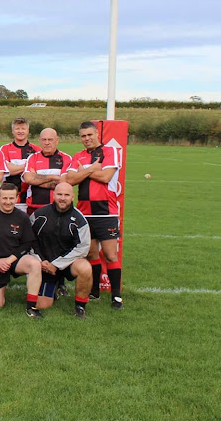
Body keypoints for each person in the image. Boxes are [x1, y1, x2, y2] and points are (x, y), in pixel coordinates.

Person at [66, 121, 124, 310]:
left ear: (97, 133)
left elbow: (106, 177)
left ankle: (116, 296)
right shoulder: (78, 155)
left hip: (106, 212)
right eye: (83, 136)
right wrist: (92, 169)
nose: (87, 138)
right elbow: (71, 179)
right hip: (84, 213)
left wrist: (84, 170)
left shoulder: (110, 151)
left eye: (89, 135)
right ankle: (95, 291)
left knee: (110, 254)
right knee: (91, 254)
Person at [0, 183, 43, 319]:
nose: (8, 202)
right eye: (4, 198)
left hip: (14, 259)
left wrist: (9, 260)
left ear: (17, 198)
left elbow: (27, 243)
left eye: (11, 198)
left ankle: (31, 307)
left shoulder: (22, 217)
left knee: (35, 264)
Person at [31, 183, 93, 319]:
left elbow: (83, 248)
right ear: (53, 195)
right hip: (45, 265)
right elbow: (30, 240)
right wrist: (41, 261)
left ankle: (80, 307)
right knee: (42, 305)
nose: (63, 198)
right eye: (59, 194)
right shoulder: (40, 215)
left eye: (66, 195)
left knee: (85, 268)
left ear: (72, 197)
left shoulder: (79, 219)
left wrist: (57, 264)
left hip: (67, 264)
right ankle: (55, 288)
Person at [22, 128, 72, 215]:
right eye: (44, 140)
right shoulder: (32, 157)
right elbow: (28, 179)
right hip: (34, 207)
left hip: (57, 208)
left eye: (50, 139)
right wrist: (53, 177)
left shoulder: (66, 158)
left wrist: (36, 179)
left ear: (57, 140)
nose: (47, 143)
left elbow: (62, 182)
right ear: (40, 141)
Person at [0, 118, 41, 211]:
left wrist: (15, 167)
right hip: (10, 197)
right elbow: (7, 170)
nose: (20, 131)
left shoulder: (37, 150)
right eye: (17, 129)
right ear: (12, 131)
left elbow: (38, 172)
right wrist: (29, 165)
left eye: (23, 129)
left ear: (28, 131)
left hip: (31, 196)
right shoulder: (5, 149)